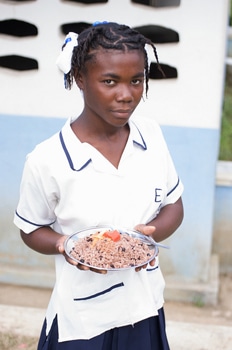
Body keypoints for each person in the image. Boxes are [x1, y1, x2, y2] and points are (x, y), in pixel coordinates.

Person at [14, 21, 184, 350]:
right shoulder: (48, 160)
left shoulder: (151, 136)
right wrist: (64, 243)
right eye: (110, 81)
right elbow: (31, 229)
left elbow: (174, 205)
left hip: (145, 309)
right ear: (80, 79)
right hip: (83, 322)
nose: (126, 94)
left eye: (136, 80)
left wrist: (146, 236)